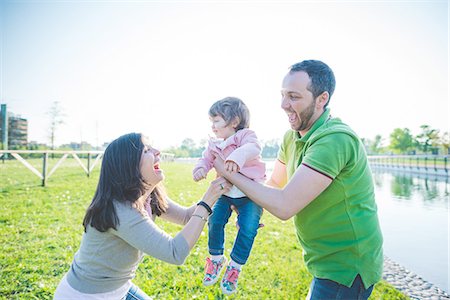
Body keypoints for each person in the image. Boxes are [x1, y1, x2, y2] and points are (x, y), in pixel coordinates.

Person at [213, 60, 383, 300]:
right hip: (321, 258)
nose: (283, 105)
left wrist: (228, 170)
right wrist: (247, 205)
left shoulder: (334, 139)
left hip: (346, 265)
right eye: (283, 95)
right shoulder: (291, 138)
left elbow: (284, 205)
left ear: (321, 99)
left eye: (293, 96)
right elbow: (274, 184)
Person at [54, 132, 231, 300]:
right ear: (129, 165)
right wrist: (207, 201)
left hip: (120, 287)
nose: (157, 152)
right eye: (147, 150)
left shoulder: (149, 196)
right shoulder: (121, 211)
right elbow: (175, 252)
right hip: (86, 295)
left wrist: (222, 196)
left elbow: (186, 216)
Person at [192, 97, 266, 295]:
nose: (213, 126)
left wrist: (237, 157)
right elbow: (206, 159)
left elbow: (253, 148)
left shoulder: (245, 136)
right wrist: (200, 168)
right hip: (226, 193)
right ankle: (216, 259)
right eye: (212, 122)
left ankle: (235, 266)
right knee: (215, 220)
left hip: (250, 195)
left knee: (249, 228)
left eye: (216, 121)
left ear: (234, 122)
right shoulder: (215, 143)